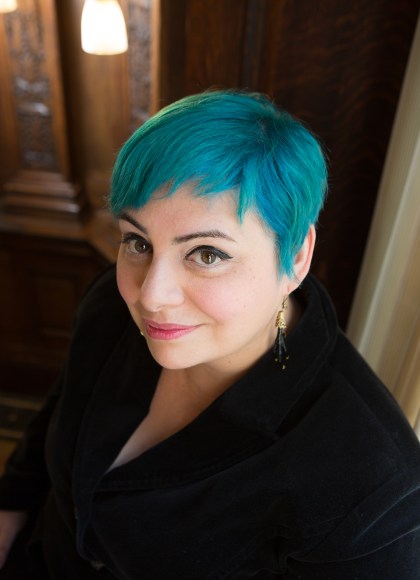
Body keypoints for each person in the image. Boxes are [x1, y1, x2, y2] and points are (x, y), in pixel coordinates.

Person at [0, 90, 419, 579]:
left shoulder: (373, 482)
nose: (151, 296)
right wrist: (10, 507)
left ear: (297, 256)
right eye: (138, 241)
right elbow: (64, 406)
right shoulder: (109, 305)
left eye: (207, 254)